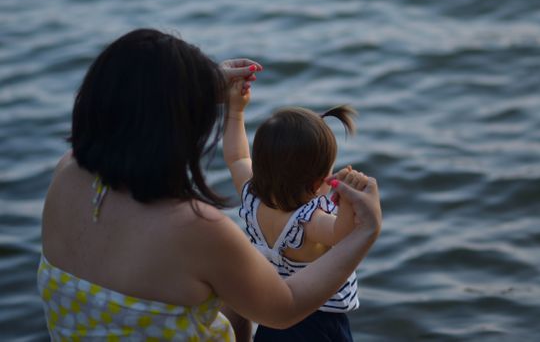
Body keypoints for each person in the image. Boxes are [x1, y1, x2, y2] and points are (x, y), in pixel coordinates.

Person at [37, 28, 382, 341]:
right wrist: (366, 231)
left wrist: (197, 89)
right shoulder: (197, 230)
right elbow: (285, 308)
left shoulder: (67, 173)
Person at [223, 78, 370, 341]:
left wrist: (235, 111)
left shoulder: (252, 199)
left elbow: (236, 157)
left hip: (275, 315)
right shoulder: (310, 222)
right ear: (317, 182)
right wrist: (348, 198)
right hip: (319, 323)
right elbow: (345, 236)